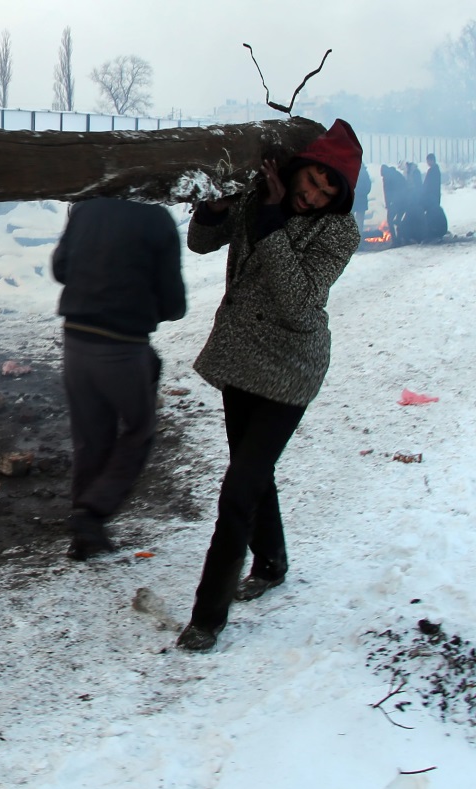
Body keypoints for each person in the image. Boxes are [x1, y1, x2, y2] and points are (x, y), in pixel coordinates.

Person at [176, 119, 363, 652]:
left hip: (290, 370)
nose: (314, 195)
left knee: (239, 489)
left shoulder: (338, 233)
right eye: (312, 181)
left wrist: (276, 220)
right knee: (251, 472)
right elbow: (202, 242)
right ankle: (272, 561)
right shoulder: (259, 192)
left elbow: (301, 303)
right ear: (300, 168)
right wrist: (216, 205)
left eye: (328, 192)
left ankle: (207, 618)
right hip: (241, 359)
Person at [50, 198, 187, 559]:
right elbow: (174, 302)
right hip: (123, 346)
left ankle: (85, 536)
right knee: (139, 429)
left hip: (75, 339)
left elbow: (60, 268)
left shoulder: (85, 209)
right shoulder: (157, 220)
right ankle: (92, 512)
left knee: (90, 438)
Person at [380, 164, 408, 245]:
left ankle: (395, 241)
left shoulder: (387, 177)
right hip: (403, 201)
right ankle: (400, 238)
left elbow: (387, 193)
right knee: (398, 220)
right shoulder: (397, 174)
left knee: (390, 220)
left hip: (395, 203)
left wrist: (388, 204)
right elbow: (405, 186)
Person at [423, 153, 449, 241]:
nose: (427, 163)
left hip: (432, 197)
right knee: (433, 214)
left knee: (432, 215)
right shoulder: (435, 170)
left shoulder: (433, 171)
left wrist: (425, 193)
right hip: (434, 196)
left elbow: (429, 185)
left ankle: (434, 232)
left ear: (432, 160)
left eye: (428, 160)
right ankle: (434, 231)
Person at [352, 162, 371, 231]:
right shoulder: (365, 173)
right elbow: (368, 187)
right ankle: (359, 235)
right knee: (360, 220)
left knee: (352, 219)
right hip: (361, 200)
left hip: (354, 200)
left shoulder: (352, 173)